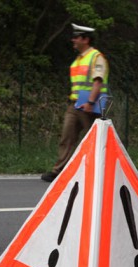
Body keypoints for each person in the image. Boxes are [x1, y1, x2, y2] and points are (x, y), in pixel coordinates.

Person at [41, 23, 109, 182]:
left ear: (85, 39)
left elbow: (97, 81)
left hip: (90, 106)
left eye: (76, 37)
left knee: (95, 139)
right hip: (76, 104)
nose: (73, 40)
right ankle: (59, 171)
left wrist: (91, 102)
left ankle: (101, 170)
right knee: (67, 136)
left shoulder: (96, 57)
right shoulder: (79, 59)